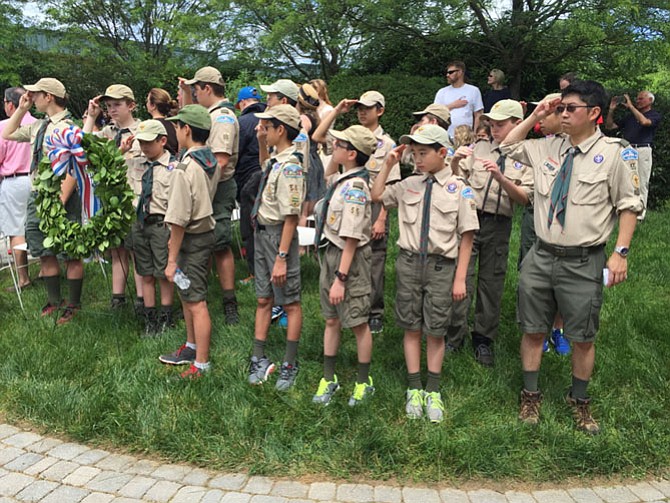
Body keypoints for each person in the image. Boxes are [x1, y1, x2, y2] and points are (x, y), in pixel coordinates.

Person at [501, 80, 643, 434]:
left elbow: (629, 205)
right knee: (533, 328)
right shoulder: (547, 147)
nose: (562, 114)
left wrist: (620, 252)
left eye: (570, 109)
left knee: (583, 335)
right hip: (541, 255)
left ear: (594, 113)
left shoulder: (616, 153)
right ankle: (530, 394)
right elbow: (506, 145)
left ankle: (579, 400)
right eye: (560, 108)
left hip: (583, 260)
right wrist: (536, 112)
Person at [371, 125, 478, 423]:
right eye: (414, 153)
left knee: (436, 328)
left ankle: (433, 389)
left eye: (423, 153)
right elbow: (377, 194)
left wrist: (460, 278)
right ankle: (414, 387)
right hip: (408, 263)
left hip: (442, 267)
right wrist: (388, 164)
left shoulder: (459, 188)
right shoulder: (408, 185)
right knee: (411, 326)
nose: (417, 160)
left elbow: (467, 236)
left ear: (442, 153)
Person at [447, 100, 533, 365]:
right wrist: (454, 162)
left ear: (517, 124)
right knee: (462, 277)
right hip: (470, 221)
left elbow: (525, 199)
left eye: (500, 124)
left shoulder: (528, 155)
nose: (493, 128)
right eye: (492, 123)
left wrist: (501, 179)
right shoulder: (480, 147)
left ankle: (483, 339)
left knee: (491, 282)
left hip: (498, 224)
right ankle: (454, 335)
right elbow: (456, 181)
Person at [312, 91, 399, 334]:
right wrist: (337, 111)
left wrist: (381, 218)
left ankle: (374, 312)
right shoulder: (348, 138)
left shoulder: (387, 143)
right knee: (346, 253)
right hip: (345, 203)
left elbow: (390, 185)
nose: (362, 112)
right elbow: (318, 136)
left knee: (374, 260)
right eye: (359, 107)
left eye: (368, 108)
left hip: (372, 204)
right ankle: (348, 304)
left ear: (379, 110)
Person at [1, 78, 83, 324]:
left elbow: (73, 166)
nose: (31, 97)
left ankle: (74, 303)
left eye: (35, 94)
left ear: (49, 97)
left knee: (70, 252)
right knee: (43, 250)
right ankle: (54, 300)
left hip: (62, 195)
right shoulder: (39, 126)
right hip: (39, 195)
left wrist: (61, 199)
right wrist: (22, 109)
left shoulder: (68, 126)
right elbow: (8, 133)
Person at [312, 125, 377, 406]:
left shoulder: (356, 188)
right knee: (331, 318)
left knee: (358, 322)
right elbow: (327, 170)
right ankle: (329, 377)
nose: (333, 145)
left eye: (340, 144)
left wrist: (341, 278)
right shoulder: (341, 179)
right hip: (330, 256)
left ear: (352, 153)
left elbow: (351, 237)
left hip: (348, 260)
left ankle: (364, 382)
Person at [158, 105, 220, 379]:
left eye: (178, 125)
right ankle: (191, 346)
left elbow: (179, 219)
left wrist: (171, 260)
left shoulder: (185, 168)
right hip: (205, 233)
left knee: (196, 301)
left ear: (187, 129)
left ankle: (202, 364)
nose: (175, 129)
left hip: (190, 239)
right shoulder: (210, 160)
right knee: (188, 294)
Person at [247, 104, 305, 390]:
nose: (263, 131)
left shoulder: (291, 167)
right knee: (262, 298)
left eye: (267, 128)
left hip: (278, 237)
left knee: (290, 301)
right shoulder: (275, 160)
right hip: (262, 234)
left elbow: (292, 217)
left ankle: (289, 363)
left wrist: (282, 256)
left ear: (281, 130)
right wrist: (260, 142)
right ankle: (258, 356)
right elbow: (263, 168)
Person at [180, 66, 240, 324]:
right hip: (205, 186)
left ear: (207, 88)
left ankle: (229, 302)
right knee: (202, 244)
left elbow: (221, 160)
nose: (194, 93)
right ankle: (199, 296)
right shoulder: (209, 114)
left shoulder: (223, 117)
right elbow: (187, 117)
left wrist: (204, 193)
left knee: (220, 244)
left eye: (196, 89)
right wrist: (184, 93)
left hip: (217, 187)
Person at [83, 84, 145, 313]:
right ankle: (118, 299)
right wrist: (91, 116)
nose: (112, 110)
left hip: (137, 200)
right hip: (114, 203)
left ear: (131, 105)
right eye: (108, 106)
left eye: (117, 104)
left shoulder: (144, 130)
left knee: (137, 251)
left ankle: (141, 300)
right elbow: (83, 144)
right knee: (117, 250)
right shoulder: (108, 132)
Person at [522, 93, 570, 356]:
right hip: (538, 220)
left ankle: (557, 329)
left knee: (562, 283)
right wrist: (534, 116)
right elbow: (507, 145)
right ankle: (538, 328)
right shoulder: (541, 146)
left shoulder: (578, 146)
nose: (543, 117)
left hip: (568, 228)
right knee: (537, 280)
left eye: (548, 113)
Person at [132, 119, 177, 336]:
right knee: (145, 272)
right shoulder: (135, 162)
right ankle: (150, 317)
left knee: (163, 273)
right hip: (140, 224)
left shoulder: (174, 167)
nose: (144, 147)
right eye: (141, 142)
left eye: (149, 142)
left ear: (163, 140)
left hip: (161, 225)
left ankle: (167, 314)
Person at [605, 90, 661, 220]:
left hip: (642, 150)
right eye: (637, 99)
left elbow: (645, 122)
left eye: (641, 99)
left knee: (641, 180)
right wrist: (611, 110)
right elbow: (609, 126)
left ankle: (640, 214)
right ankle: (625, 208)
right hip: (628, 149)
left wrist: (631, 107)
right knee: (624, 179)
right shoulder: (630, 116)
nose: (637, 101)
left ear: (650, 101)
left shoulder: (654, 115)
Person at [0, 87, 35, 289]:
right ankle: (46, 268)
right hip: (36, 179)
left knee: (16, 230)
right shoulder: (39, 124)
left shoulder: (4, 126)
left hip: (14, 181)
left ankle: (23, 277)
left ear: (11, 104)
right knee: (39, 225)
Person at [235, 86, 266, 284]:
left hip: (249, 180)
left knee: (250, 227)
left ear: (242, 103)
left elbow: (234, 154)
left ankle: (255, 273)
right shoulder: (269, 119)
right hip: (269, 175)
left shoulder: (241, 122)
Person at [434, 61, 484, 138]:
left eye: (451, 72)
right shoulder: (442, 92)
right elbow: (434, 113)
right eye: (447, 72)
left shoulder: (473, 90)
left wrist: (475, 134)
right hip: (445, 136)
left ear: (460, 72)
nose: (447, 75)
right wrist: (452, 105)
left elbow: (478, 114)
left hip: (466, 136)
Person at [145, 88, 179, 155]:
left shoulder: (150, 126)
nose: (146, 104)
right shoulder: (175, 125)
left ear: (153, 106)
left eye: (147, 101)